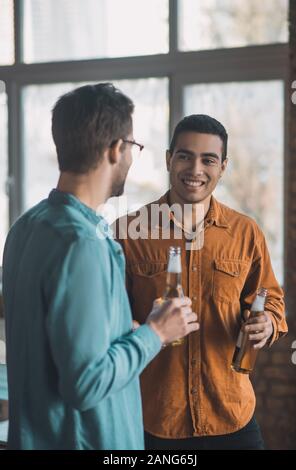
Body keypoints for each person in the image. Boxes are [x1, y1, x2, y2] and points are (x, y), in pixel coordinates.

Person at [2, 84, 199, 450]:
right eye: (133, 147)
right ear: (116, 149)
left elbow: (58, 341)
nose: (130, 157)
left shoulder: (25, 227)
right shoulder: (84, 244)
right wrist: (154, 333)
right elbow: (86, 383)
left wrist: (124, 332)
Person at [115, 114, 288, 450]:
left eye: (208, 159)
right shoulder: (128, 233)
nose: (195, 169)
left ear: (222, 167)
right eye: (185, 156)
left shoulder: (245, 232)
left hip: (232, 415)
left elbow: (271, 301)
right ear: (169, 159)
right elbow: (110, 323)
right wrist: (138, 328)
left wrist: (268, 322)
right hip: (154, 419)